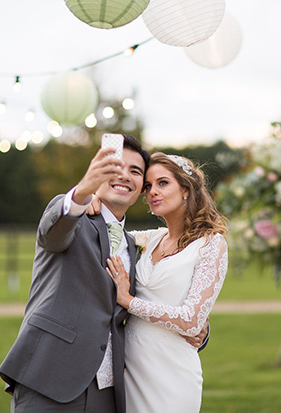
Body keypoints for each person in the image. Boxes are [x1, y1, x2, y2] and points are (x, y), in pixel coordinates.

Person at [0, 136, 206, 412]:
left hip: (109, 392)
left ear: (140, 189)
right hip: (50, 378)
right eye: (115, 166)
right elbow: (53, 235)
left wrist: (196, 326)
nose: (124, 175)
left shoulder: (137, 246)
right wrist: (83, 192)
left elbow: (150, 296)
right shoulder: (72, 215)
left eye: (135, 172)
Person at [104, 152, 228, 412]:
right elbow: (106, 229)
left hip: (172, 374)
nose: (152, 192)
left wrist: (128, 301)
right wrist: (95, 198)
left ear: (185, 189)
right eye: (148, 186)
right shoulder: (149, 239)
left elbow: (193, 321)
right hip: (132, 369)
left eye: (162, 183)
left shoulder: (210, 244)